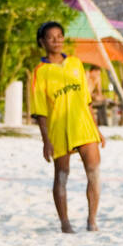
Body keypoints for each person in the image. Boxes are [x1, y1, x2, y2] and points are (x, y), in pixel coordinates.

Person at [31, 21, 103, 232]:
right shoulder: (40, 72)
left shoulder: (75, 63)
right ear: (42, 42)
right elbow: (40, 111)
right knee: (61, 176)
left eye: (60, 36)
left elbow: (86, 99)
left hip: (84, 125)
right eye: (51, 37)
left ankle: (92, 220)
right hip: (58, 129)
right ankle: (65, 223)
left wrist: (97, 129)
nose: (57, 40)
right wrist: (46, 141)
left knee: (94, 172)